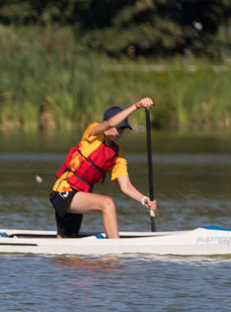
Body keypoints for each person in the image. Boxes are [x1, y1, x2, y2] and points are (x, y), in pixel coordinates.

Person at [50, 98, 157, 240]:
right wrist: (137, 105)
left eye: (123, 129)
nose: (120, 132)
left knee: (66, 244)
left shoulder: (117, 155)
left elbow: (126, 186)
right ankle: (115, 251)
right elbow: (110, 123)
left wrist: (144, 200)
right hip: (63, 191)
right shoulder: (93, 134)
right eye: (118, 128)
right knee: (107, 203)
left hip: (80, 195)